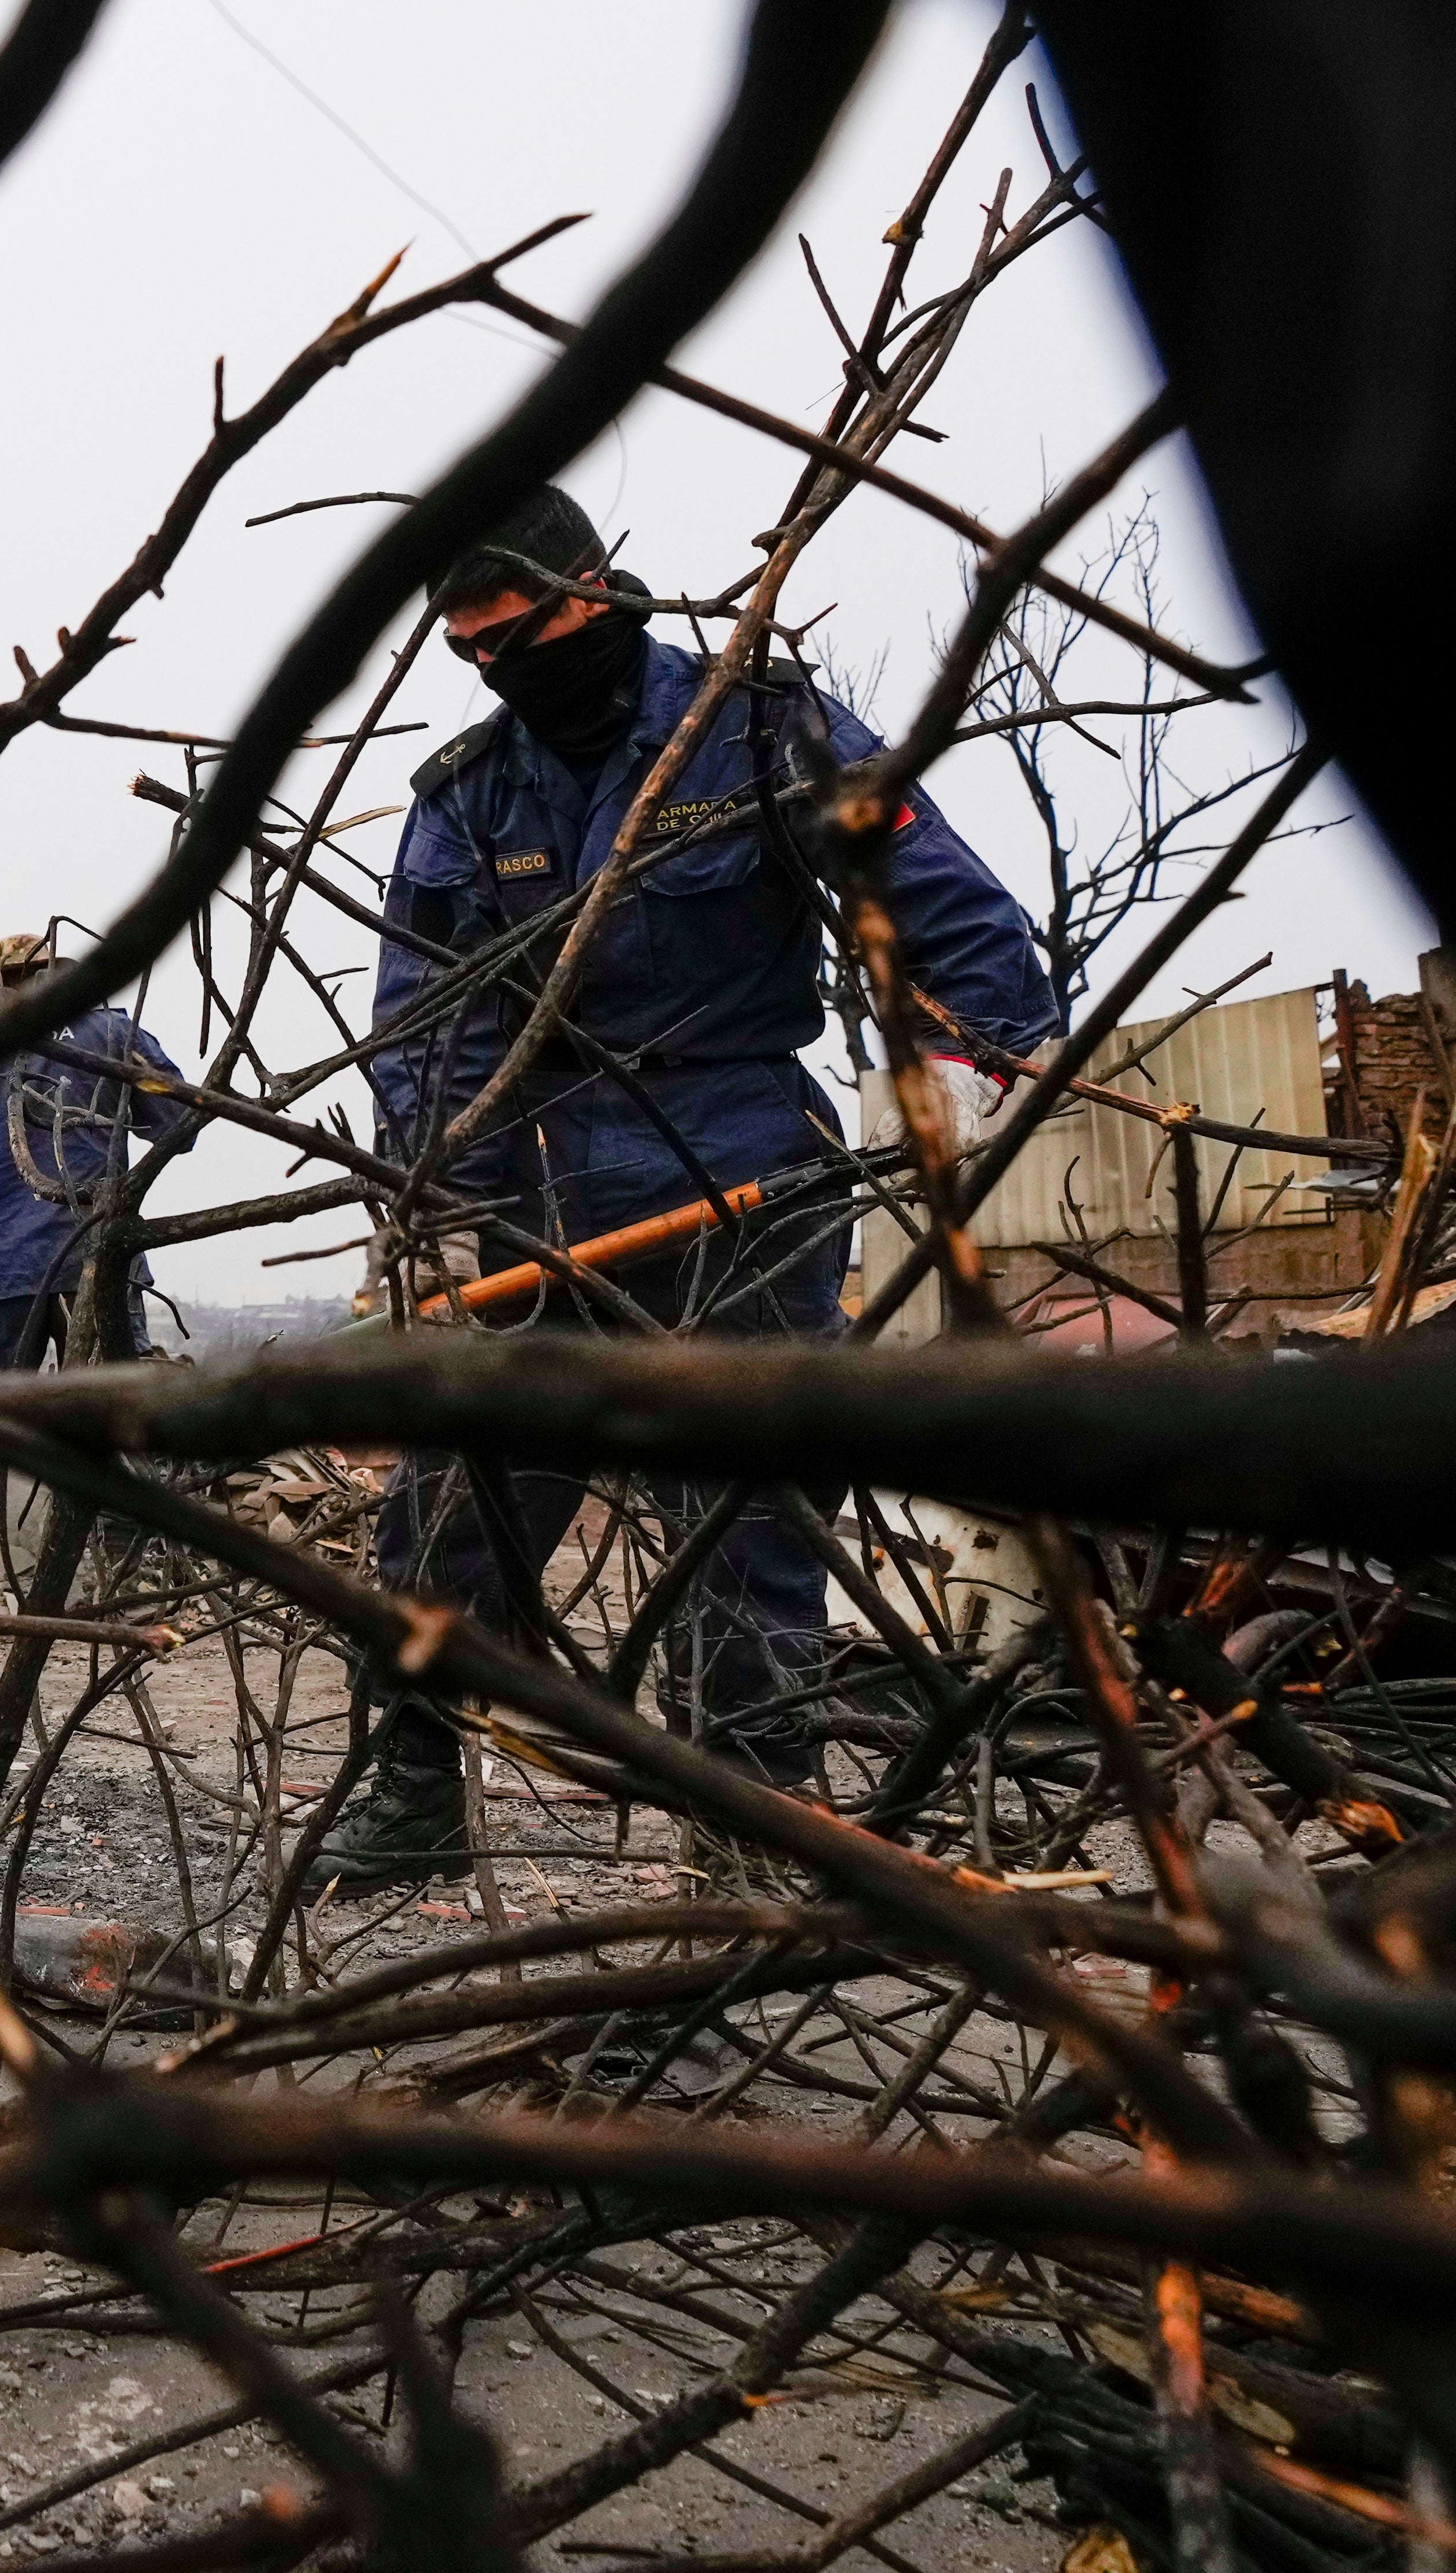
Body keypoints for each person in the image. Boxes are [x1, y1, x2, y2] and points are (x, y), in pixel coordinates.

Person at [309, 489, 1058, 1886]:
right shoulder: (464, 798)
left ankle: (750, 1836)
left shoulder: (758, 727)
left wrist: (997, 1034)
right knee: (453, 1504)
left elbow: (923, 877)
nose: (496, 664)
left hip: (745, 1179)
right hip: (541, 1194)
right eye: (464, 648)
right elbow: (424, 1030)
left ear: (589, 588)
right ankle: (408, 1794)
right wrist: (434, 1202)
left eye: (515, 630)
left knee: (747, 1520)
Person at [0, 931, 199, 1590]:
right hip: (97, 1252)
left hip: (4, 1268)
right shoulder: (107, 1033)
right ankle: (127, 1580)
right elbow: (179, 1124)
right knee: (118, 1412)